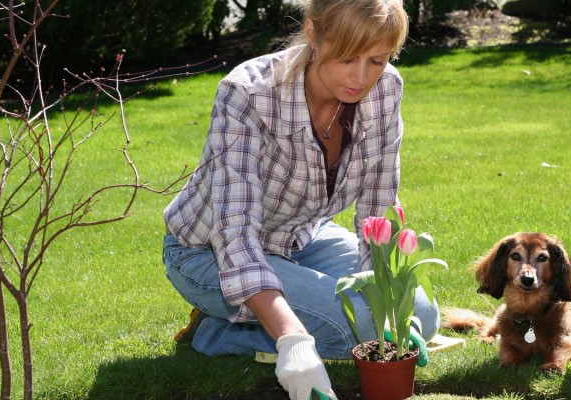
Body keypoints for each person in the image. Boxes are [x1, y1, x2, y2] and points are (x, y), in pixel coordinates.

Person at [161, 0, 440, 399]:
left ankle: (240, 322)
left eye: (376, 60)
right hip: (209, 252)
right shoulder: (248, 93)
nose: (361, 78)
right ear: (313, 33)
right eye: (347, 58)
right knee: (358, 328)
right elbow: (235, 234)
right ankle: (221, 332)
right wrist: (293, 341)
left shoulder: (386, 89)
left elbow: (377, 208)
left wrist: (388, 307)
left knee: (419, 314)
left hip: (301, 238)